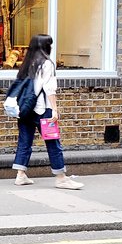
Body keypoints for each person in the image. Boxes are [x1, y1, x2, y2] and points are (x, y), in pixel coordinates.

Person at [12, 33, 83, 190]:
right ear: (45, 47)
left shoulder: (27, 63)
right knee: (53, 143)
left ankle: (20, 175)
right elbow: (49, 88)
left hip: (25, 109)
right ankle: (61, 178)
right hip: (42, 110)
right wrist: (54, 110)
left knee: (24, 142)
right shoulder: (47, 64)